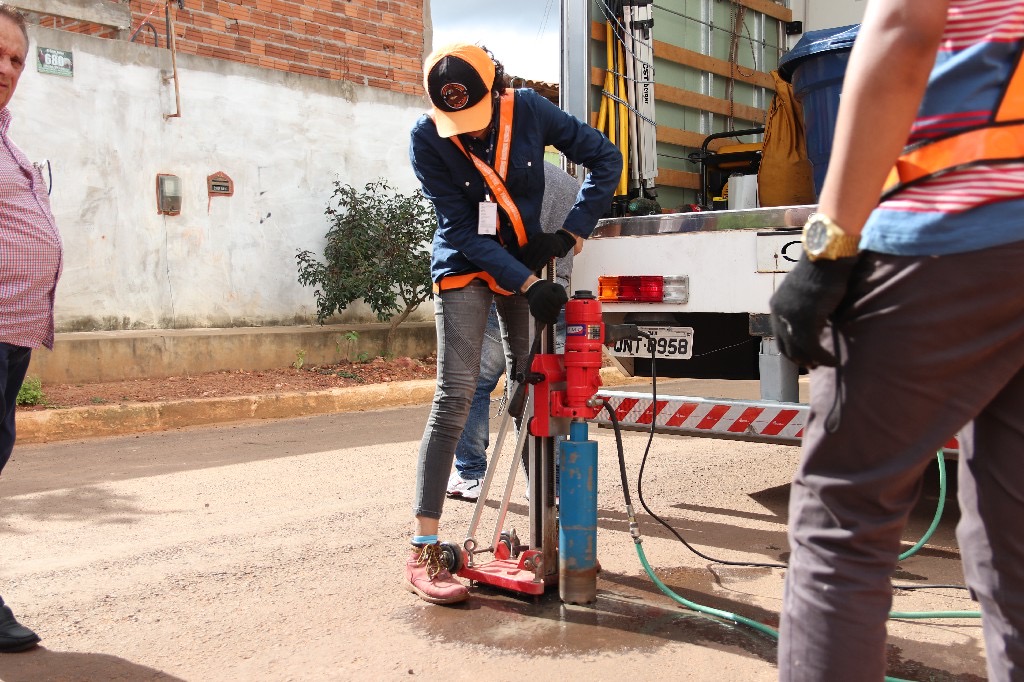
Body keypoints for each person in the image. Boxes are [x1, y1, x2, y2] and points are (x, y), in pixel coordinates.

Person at [768, 1, 1024, 678]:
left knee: (844, 523)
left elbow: (906, 26)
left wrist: (827, 249)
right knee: (1017, 540)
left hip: (956, 232)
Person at [405, 42, 621, 604]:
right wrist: (529, 285)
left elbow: (606, 158)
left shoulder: (528, 109)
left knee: (534, 395)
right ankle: (424, 546)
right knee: (455, 394)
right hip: (467, 269)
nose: (468, 133)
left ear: (497, 88)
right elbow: (461, 230)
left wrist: (571, 233)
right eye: (458, 122)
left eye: (475, 118)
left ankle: (544, 533)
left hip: (527, 262)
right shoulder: (427, 138)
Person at [446, 161, 582, 502]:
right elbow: (577, 244)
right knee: (545, 392)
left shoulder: (503, 177)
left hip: (513, 291)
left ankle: (471, 474)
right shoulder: (569, 183)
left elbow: (484, 237)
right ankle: (546, 484)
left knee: (475, 383)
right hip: (557, 293)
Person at [0, 5, 63, 653]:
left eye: (16, 59)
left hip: (12, 337)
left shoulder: (4, 134)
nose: (7, 68)